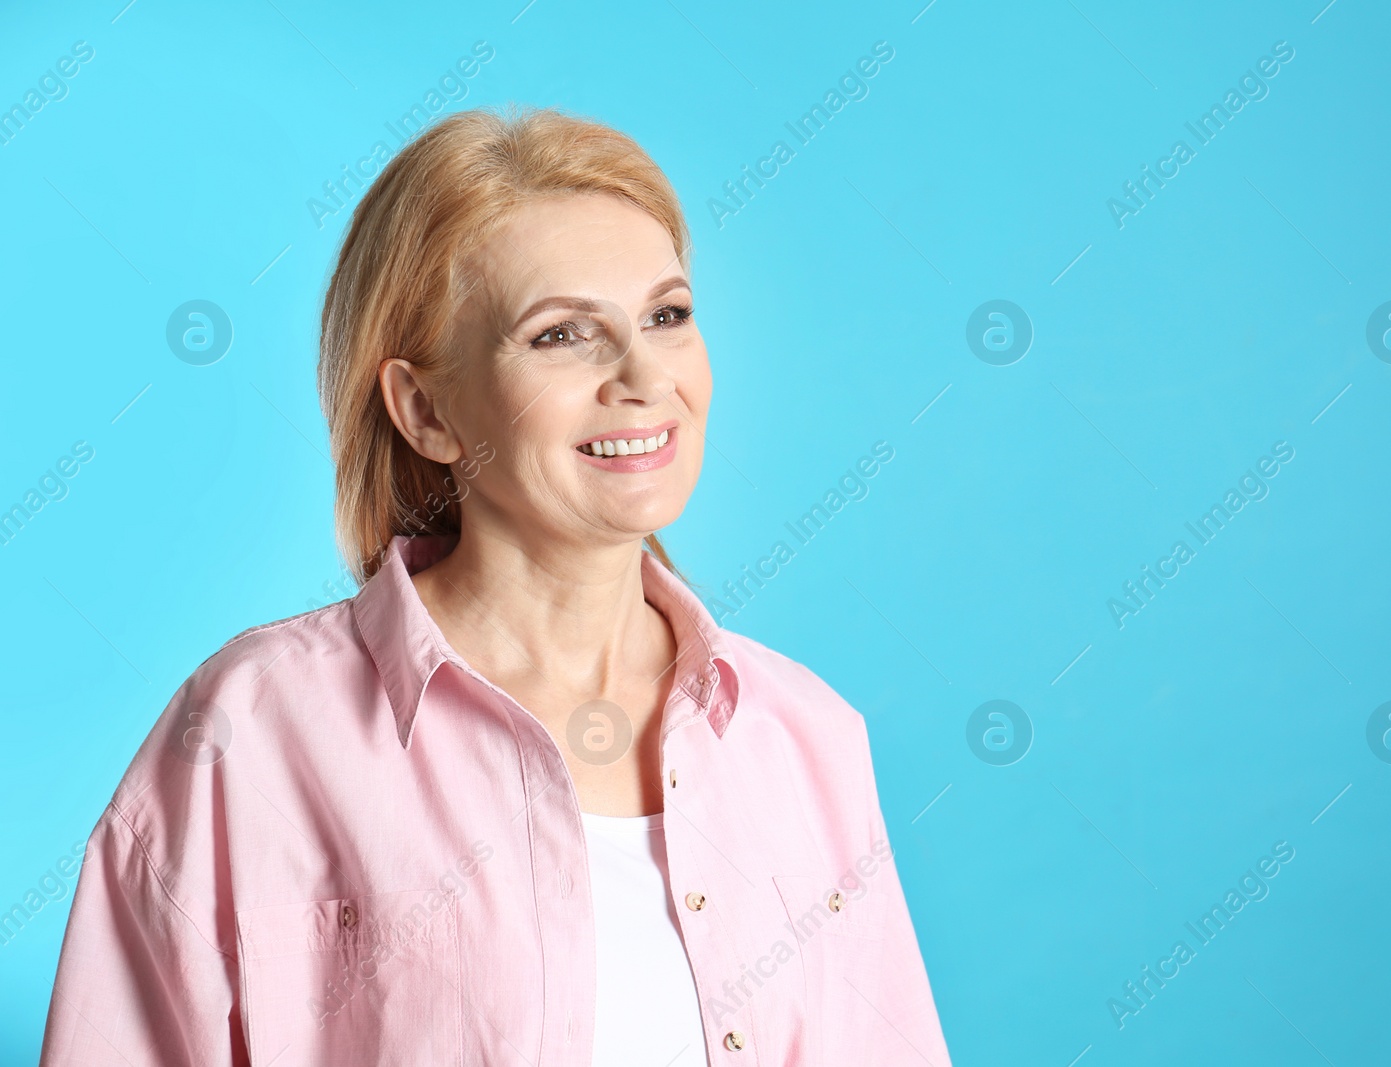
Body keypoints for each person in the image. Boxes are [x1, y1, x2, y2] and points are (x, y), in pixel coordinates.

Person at [39, 105, 951, 1066]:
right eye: (563, 335)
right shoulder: (251, 730)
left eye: (667, 316)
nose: (645, 375)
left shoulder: (806, 739)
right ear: (425, 410)